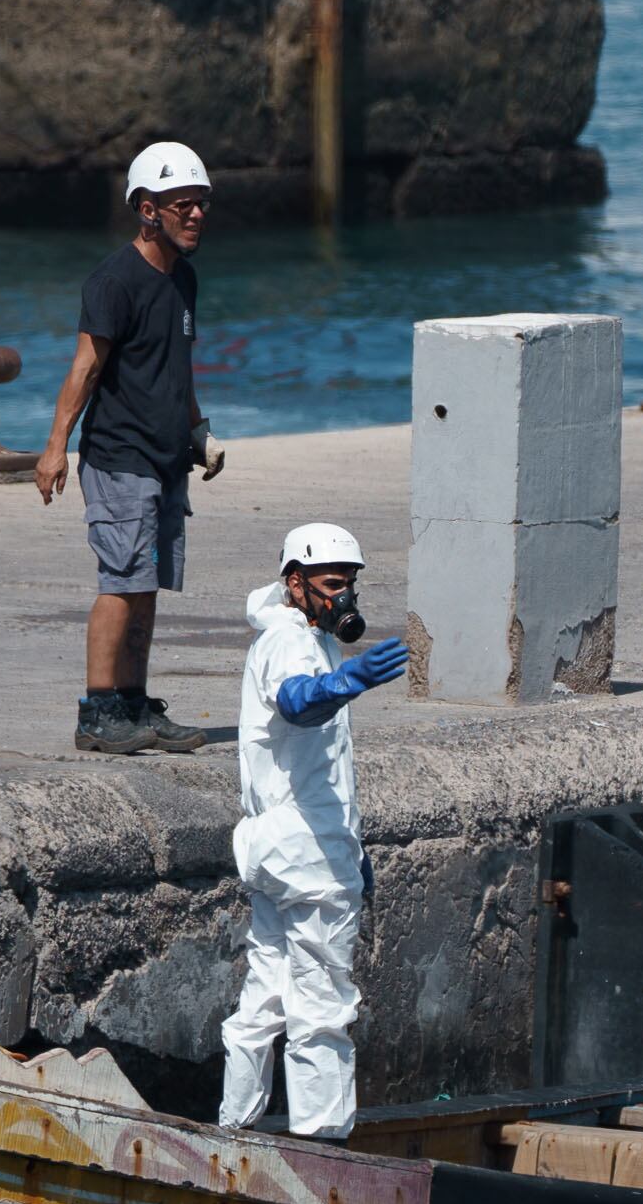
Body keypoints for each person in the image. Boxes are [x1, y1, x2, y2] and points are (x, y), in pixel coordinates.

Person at [33, 139, 229, 757]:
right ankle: (98, 714)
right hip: (120, 458)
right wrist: (55, 447)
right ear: (147, 209)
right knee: (119, 582)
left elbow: (178, 367)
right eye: (182, 205)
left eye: (201, 204)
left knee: (146, 587)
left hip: (168, 459)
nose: (196, 215)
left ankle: (135, 706)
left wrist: (198, 431)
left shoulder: (184, 280)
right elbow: (85, 370)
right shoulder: (114, 281)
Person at [218, 525, 410, 1139]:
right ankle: (321, 1149)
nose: (344, 598)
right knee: (322, 1006)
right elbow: (298, 701)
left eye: (350, 585)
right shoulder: (291, 643)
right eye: (332, 585)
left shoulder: (301, 636)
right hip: (307, 856)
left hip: (281, 848)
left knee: (266, 996)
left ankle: (234, 1130)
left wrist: (353, 848)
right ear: (294, 583)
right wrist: (347, 683)